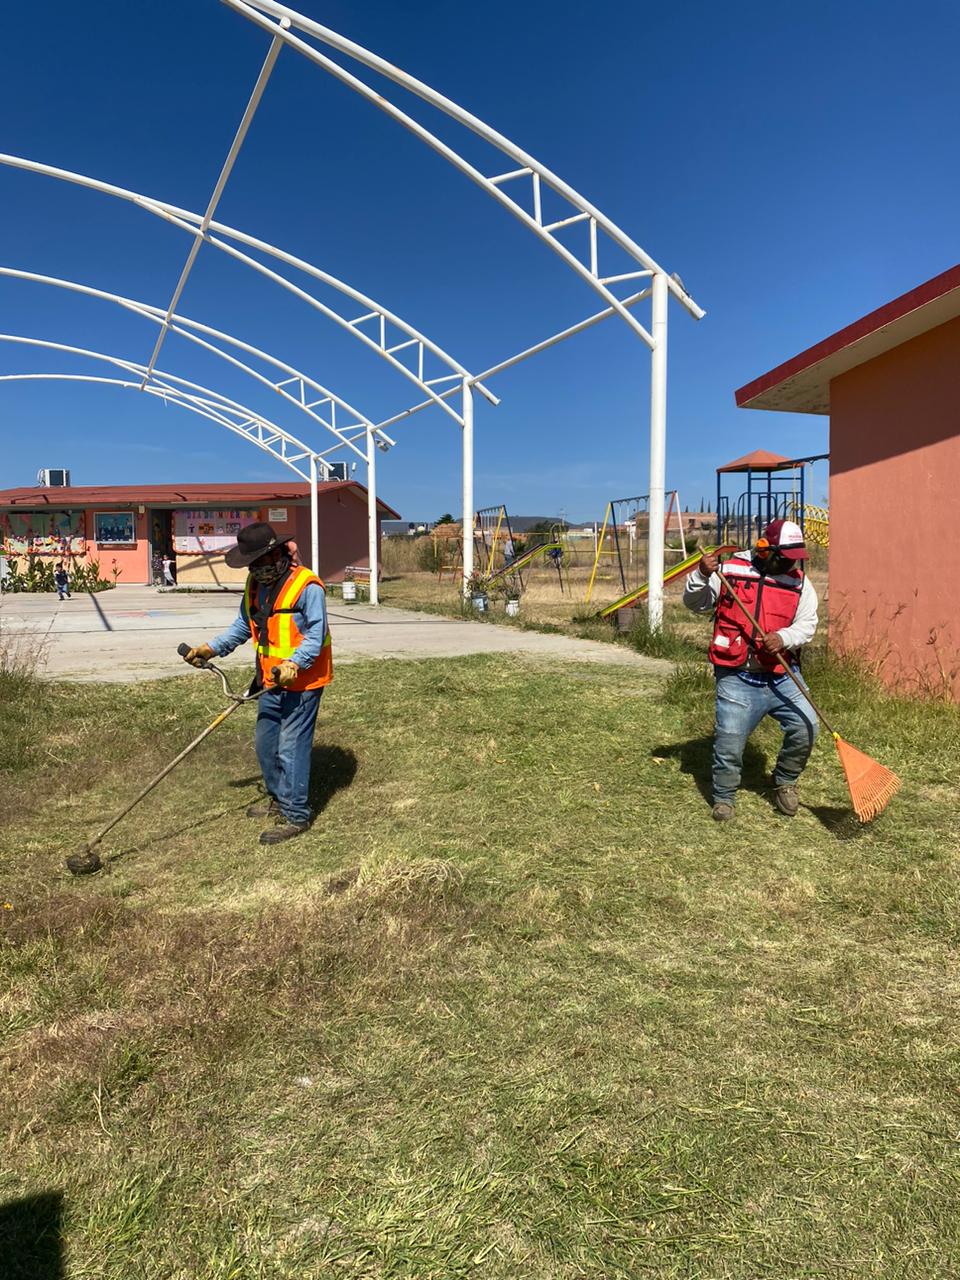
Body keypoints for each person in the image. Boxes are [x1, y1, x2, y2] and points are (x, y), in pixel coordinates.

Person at [182, 523, 333, 845]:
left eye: (265, 563)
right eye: (254, 565)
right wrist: (211, 648)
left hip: (303, 681)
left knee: (292, 748)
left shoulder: (307, 586)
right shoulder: (255, 585)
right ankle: (279, 797)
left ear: (279, 554)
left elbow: (316, 633)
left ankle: (296, 815)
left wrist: (294, 663)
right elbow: (243, 625)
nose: (261, 570)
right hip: (268, 681)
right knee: (266, 746)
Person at [682, 518, 819, 821]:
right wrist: (702, 575)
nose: (791, 564)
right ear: (764, 549)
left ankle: (785, 780)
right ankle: (724, 796)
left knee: (807, 726)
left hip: (783, 675)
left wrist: (784, 637)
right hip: (737, 675)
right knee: (730, 739)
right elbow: (695, 603)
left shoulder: (799, 583)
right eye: (785, 557)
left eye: (795, 558)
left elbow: (808, 624)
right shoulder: (729, 570)